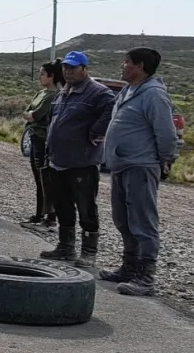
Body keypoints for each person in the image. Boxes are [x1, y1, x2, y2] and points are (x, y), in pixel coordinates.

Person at [100, 48, 178, 296]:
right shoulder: (128, 90)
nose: (122, 66)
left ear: (140, 66)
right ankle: (129, 267)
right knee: (122, 219)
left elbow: (166, 133)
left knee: (143, 221)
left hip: (141, 165)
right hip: (122, 165)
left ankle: (145, 277)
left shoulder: (154, 95)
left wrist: (166, 160)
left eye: (127, 62)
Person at [42, 51, 115, 267]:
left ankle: (89, 252)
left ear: (85, 69)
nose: (68, 71)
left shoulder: (97, 92)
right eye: (65, 67)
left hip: (82, 162)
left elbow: (111, 110)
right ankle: (66, 247)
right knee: (63, 206)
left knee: (86, 208)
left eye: (73, 68)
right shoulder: (64, 91)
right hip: (58, 160)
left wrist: (95, 132)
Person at [20, 60, 64, 230]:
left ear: (51, 76)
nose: (39, 77)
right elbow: (27, 112)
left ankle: (49, 217)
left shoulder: (54, 96)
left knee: (46, 179)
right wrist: (30, 115)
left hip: (44, 139)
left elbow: (35, 115)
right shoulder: (41, 93)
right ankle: (39, 214)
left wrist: (30, 115)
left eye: (42, 74)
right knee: (39, 179)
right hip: (35, 137)